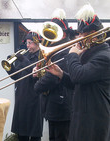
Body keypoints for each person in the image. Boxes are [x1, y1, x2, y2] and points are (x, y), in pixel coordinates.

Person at [46, 4, 110, 141]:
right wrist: (61, 75)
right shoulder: (90, 54)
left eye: (83, 35)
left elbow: (78, 76)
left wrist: (72, 55)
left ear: (95, 36)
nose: (79, 38)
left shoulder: (104, 56)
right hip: (81, 116)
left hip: (94, 119)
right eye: (80, 34)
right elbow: (79, 83)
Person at [33, 8, 74, 141]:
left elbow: (53, 77)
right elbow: (49, 71)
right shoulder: (56, 50)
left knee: (60, 137)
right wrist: (38, 70)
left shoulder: (65, 50)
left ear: (63, 34)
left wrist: (38, 85)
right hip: (55, 104)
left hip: (61, 105)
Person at [5, 31, 43, 141]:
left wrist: (22, 59)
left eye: (30, 43)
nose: (27, 46)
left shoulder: (41, 56)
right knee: (21, 133)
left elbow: (35, 73)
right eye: (27, 43)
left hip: (34, 98)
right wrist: (9, 67)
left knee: (35, 134)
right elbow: (16, 76)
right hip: (21, 97)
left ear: (37, 43)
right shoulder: (25, 56)